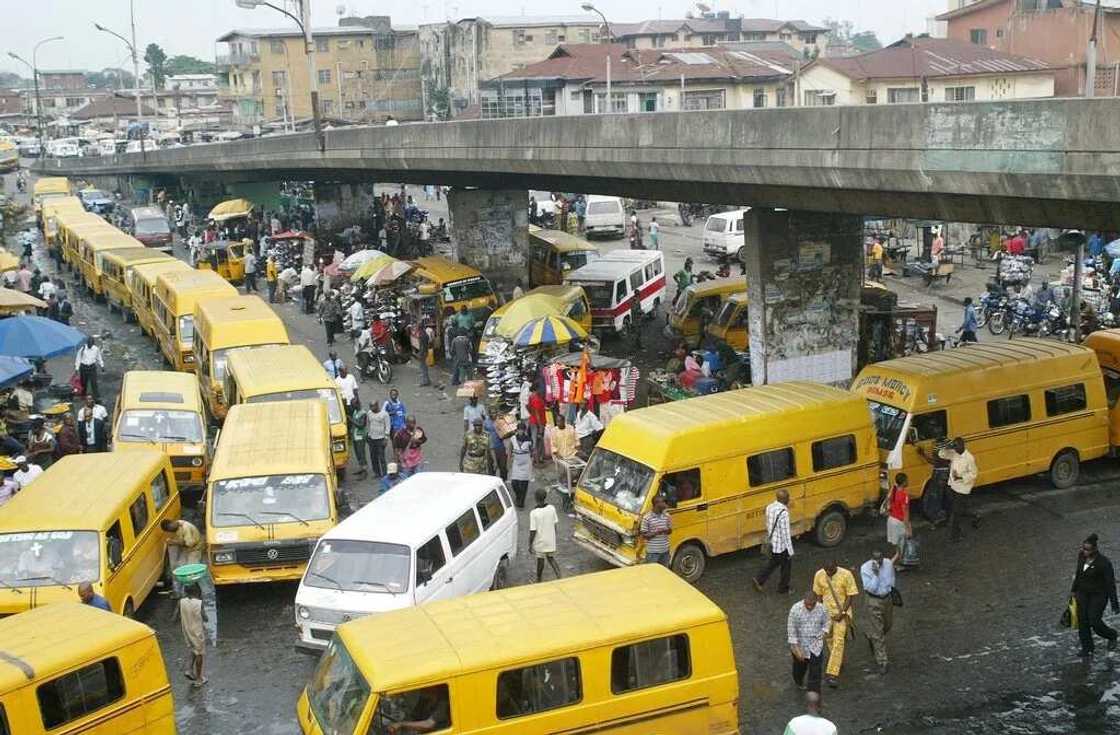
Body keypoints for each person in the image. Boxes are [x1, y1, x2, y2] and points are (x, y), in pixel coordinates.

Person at [812, 560, 860, 688]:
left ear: (836, 567)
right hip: (826, 614)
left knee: (839, 641)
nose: (828, 573)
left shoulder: (846, 574)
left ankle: (831, 674)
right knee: (829, 639)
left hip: (841, 615)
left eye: (831, 570)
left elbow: (850, 596)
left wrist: (843, 612)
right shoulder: (819, 575)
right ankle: (837, 660)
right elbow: (818, 595)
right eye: (826, 571)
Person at [1071, 533, 1119, 656]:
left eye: (1087, 549)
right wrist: (1074, 590)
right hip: (1083, 593)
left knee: (1094, 620)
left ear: (1094, 549)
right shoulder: (1081, 556)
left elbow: (1110, 584)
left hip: (1099, 595)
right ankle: (1087, 648)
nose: (1084, 551)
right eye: (1083, 548)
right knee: (1083, 621)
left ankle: (1111, 635)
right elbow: (1079, 573)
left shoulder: (1104, 563)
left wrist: (1114, 603)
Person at [861, 547, 899, 674]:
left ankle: (871, 636)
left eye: (880, 559)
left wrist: (892, 591)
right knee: (878, 633)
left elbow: (892, 578)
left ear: (883, 557)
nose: (879, 562)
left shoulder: (888, 563)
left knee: (887, 625)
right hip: (873, 600)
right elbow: (870, 588)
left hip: (887, 599)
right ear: (872, 559)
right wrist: (876, 575)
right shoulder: (865, 568)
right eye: (876, 559)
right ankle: (882, 661)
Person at [787, 591, 830, 694]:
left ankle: (813, 692)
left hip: (816, 646)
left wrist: (822, 635)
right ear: (804, 601)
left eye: (812, 604)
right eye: (807, 605)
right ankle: (798, 681)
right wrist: (797, 650)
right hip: (800, 646)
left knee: (815, 672)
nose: (810, 607)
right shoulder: (795, 610)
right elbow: (791, 631)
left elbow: (827, 623)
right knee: (799, 669)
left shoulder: (822, 609)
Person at [753, 488, 794, 594]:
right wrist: (790, 550)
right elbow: (786, 534)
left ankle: (759, 579)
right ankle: (783, 588)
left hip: (773, 542)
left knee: (773, 563)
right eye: (788, 497)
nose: (789, 499)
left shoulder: (769, 507)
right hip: (781, 546)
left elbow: (768, 523)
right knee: (786, 567)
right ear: (785, 499)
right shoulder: (784, 512)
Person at [940, 437, 979, 541]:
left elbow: (974, 474)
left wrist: (961, 478)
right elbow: (941, 454)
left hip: (962, 488)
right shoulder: (954, 453)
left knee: (956, 512)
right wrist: (947, 447)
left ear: (962, 445)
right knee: (956, 509)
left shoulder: (969, 458)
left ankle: (955, 535)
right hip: (952, 486)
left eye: (956, 446)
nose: (955, 448)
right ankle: (974, 516)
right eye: (954, 446)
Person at [161, 519, 203, 596]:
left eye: (170, 529)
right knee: (179, 567)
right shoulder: (178, 526)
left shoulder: (186, 528)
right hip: (186, 550)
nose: (171, 532)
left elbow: (189, 544)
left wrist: (174, 542)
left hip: (194, 549)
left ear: (171, 524)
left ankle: (193, 591)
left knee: (190, 570)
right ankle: (181, 590)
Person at [529, 488, 562, 582]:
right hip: (550, 539)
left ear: (535, 498)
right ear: (545, 497)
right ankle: (559, 576)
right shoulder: (552, 508)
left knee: (540, 560)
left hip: (540, 542)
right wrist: (554, 536)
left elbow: (533, 531)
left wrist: (530, 544)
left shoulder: (534, 513)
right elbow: (555, 524)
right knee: (551, 558)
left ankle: (539, 579)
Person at [179, 583, 208, 687]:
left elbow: (175, 616)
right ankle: (199, 679)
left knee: (193, 649)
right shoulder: (199, 603)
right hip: (197, 632)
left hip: (186, 631)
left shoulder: (181, 602)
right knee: (199, 653)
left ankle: (189, 669)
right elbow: (205, 618)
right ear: (197, 591)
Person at [639, 495, 672, 566]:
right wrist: (657, 532)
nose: (665, 504)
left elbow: (670, 531)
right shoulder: (647, 518)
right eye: (663, 502)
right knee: (652, 574)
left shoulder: (667, 516)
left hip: (665, 552)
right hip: (653, 553)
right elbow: (644, 535)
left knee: (664, 572)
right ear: (657, 504)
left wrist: (667, 530)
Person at [885, 472, 912, 554]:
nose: (908, 482)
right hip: (899, 522)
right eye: (907, 480)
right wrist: (908, 529)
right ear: (903, 482)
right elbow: (905, 513)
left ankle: (896, 560)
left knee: (896, 546)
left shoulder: (893, 491)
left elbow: (888, 501)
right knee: (902, 547)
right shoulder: (904, 495)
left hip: (891, 519)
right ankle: (898, 562)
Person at [508, 423, 533, 508]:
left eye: (522, 429)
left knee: (524, 484)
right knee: (514, 483)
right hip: (516, 464)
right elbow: (509, 451)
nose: (520, 431)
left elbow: (532, 451)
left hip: (526, 464)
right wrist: (509, 462)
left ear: (525, 430)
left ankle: (521, 502)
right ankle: (518, 496)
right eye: (519, 429)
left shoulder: (529, 440)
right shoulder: (513, 439)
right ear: (517, 430)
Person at [365, 399, 391, 478]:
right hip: (372, 438)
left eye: (373, 406)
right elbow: (368, 423)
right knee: (373, 457)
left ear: (377, 405)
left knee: (381, 457)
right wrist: (368, 434)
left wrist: (386, 438)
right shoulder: (369, 413)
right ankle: (377, 473)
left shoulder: (384, 414)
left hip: (381, 439)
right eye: (370, 406)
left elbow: (388, 426)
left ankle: (384, 473)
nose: (371, 408)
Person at [349, 402, 369, 478]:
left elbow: (361, 425)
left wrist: (351, 420)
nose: (352, 406)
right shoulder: (355, 411)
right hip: (355, 436)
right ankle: (361, 468)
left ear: (358, 404)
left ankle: (365, 472)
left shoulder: (363, 413)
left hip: (360, 437)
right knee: (357, 454)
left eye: (353, 405)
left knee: (362, 454)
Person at [416, 319, 433, 386]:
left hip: (423, 352)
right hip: (425, 351)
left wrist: (420, 354)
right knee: (424, 367)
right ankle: (427, 380)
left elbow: (422, 345)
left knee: (423, 367)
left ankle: (424, 381)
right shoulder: (425, 334)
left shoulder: (421, 335)